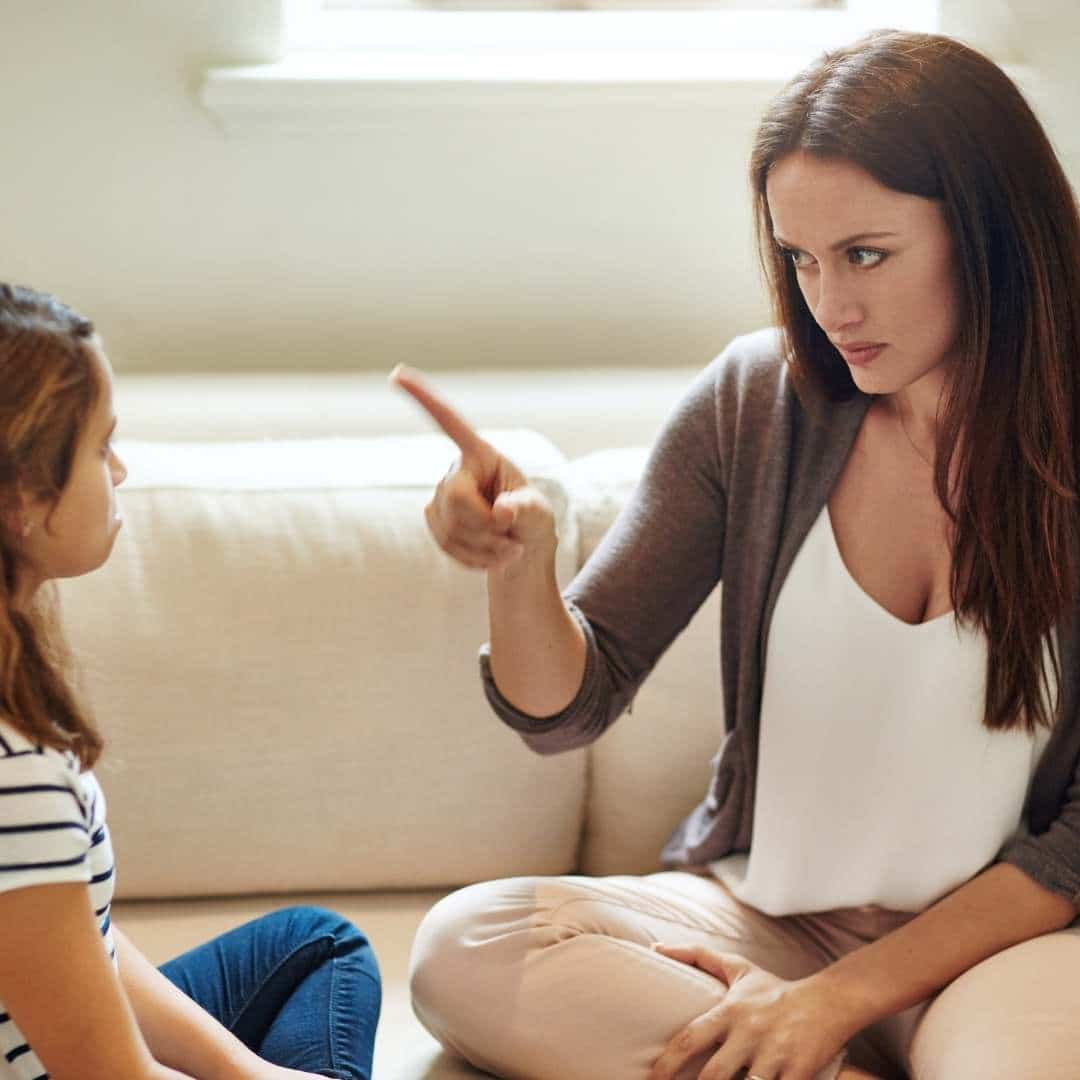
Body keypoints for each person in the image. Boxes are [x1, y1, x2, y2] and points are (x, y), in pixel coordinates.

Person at [393, 28, 1080, 1080]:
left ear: (986, 231)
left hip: (1001, 949)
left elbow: (1073, 844)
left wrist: (830, 1006)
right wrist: (517, 573)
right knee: (467, 949)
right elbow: (566, 707)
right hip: (767, 919)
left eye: (866, 254)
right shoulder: (758, 405)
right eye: (800, 258)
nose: (829, 304)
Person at [0, 284, 381, 1080]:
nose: (122, 468)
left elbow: (82, 941)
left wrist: (256, 1076)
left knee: (321, 943)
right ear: (24, 501)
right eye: (102, 446)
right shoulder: (17, 779)